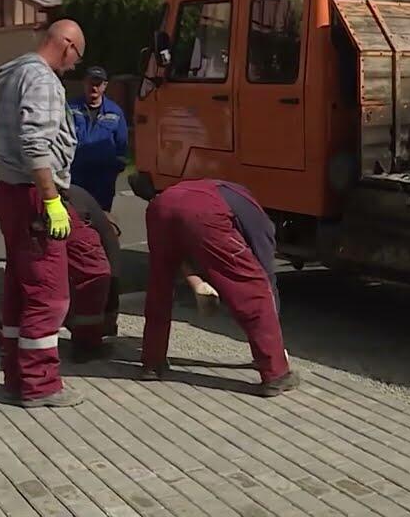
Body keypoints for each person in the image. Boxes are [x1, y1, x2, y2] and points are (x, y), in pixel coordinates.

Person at [0, 19, 85, 408]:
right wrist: (50, 201)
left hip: (12, 191)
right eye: (77, 56)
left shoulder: (14, 74)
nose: (74, 66)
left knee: (20, 287)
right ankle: (41, 384)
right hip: (33, 194)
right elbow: (35, 144)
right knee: (49, 294)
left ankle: (17, 376)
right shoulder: (42, 79)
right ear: (66, 44)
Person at [140, 179, 297, 396]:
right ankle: (276, 373)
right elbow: (264, 270)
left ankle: (152, 363)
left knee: (160, 286)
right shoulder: (259, 220)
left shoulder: (228, 192)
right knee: (254, 291)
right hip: (203, 213)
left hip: (159, 208)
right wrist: (271, 312)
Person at [59, 184, 118, 360]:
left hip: (29, 206)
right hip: (65, 215)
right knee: (93, 281)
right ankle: (86, 346)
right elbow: (111, 274)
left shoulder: (80, 196)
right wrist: (109, 318)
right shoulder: (106, 234)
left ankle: (15, 339)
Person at [68, 66, 128, 211]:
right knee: (77, 213)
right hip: (77, 173)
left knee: (102, 214)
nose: (94, 88)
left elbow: (122, 143)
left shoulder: (114, 112)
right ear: (84, 83)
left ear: (105, 86)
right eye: (90, 83)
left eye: (98, 84)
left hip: (103, 176)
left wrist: (115, 169)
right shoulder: (70, 109)